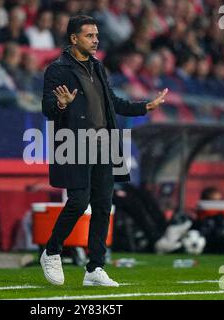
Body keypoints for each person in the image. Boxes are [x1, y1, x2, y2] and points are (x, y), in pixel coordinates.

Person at [40, 15, 168, 287]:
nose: (96, 40)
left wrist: (144, 106)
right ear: (74, 38)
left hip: (105, 144)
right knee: (78, 202)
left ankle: (95, 268)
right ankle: (51, 251)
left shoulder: (98, 66)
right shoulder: (58, 69)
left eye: (97, 35)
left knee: (102, 206)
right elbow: (48, 109)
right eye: (89, 35)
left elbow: (113, 102)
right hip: (73, 143)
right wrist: (62, 105)